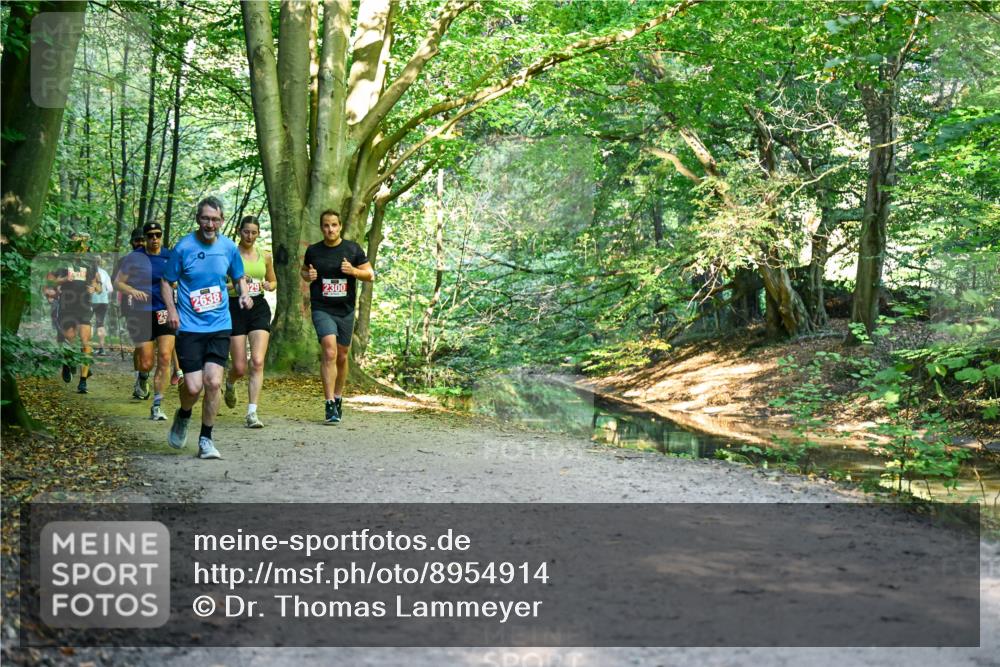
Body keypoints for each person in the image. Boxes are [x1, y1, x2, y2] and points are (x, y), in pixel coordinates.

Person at [162, 196, 252, 459]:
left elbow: (239, 276)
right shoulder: (183, 247)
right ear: (197, 219)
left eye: (215, 219)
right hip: (189, 327)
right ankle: (184, 414)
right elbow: (166, 282)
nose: (210, 224)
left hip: (219, 325)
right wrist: (172, 310)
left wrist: (244, 294)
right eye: (205, 218)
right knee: (192, 387)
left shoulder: (228, 248)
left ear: (222, 221)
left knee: (213, 382)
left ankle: (206, 439)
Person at [301, 209, 374, 424]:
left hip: (346, 310)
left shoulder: (352, 249)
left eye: (334, 225)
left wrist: (353, 271)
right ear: (321, 227)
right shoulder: (314, 251)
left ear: (340, 226)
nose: (330, 229)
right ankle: (329, 403)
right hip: (322, 308)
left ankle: (339, 396)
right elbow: (305, 271)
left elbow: (370, 275)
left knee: (342, 356)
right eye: (326, 225)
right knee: (330, 350)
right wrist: (309, 275)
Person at [115, 222, 176, 420]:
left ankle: (157, 404)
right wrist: (132, 291)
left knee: (165, 356)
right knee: (146, 361)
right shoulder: (134, 258)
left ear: (161, 236)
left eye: (158, 234)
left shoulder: (169, 256)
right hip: (140, 312)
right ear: (146, 237)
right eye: (150, 235)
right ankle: (142, 377)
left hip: (164, 311)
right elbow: (118, 283)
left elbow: (179, 279)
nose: (154, 239)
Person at [223, 216, 276, 428]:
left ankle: (252, 413)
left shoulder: (265, 255)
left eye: (254, 232)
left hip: (258, 308)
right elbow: (218, 284)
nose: (250, 236)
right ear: (239, 231)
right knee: (239, 366)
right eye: (246, 232)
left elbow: (273, 281)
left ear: (258, 233)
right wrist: (237, 283)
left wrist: (269, 285)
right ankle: (230, 382)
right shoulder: (229, 254)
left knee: (258, 361)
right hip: (235, 307)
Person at [47, 232, 101, 394]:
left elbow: (98, 286)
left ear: (86, 245)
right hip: (67, 306)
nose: (79, 246)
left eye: (82, 243)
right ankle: (67, 362)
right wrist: (64, 280)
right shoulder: (63, 262)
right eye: (75, 243)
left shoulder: (91, 262)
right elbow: (50, 280)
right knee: (69, 339)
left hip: (84, 306)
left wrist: (94, 288)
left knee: (86, 342)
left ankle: (83, 381)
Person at [91, 262, 113, 355]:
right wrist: (104, 294)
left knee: (86, 322)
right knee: (100, 324)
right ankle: (102, 349)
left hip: (90, 300)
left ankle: (86, 347)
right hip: (103, 301)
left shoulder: (88, 272)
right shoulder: (104, 272)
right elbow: (110, 289)